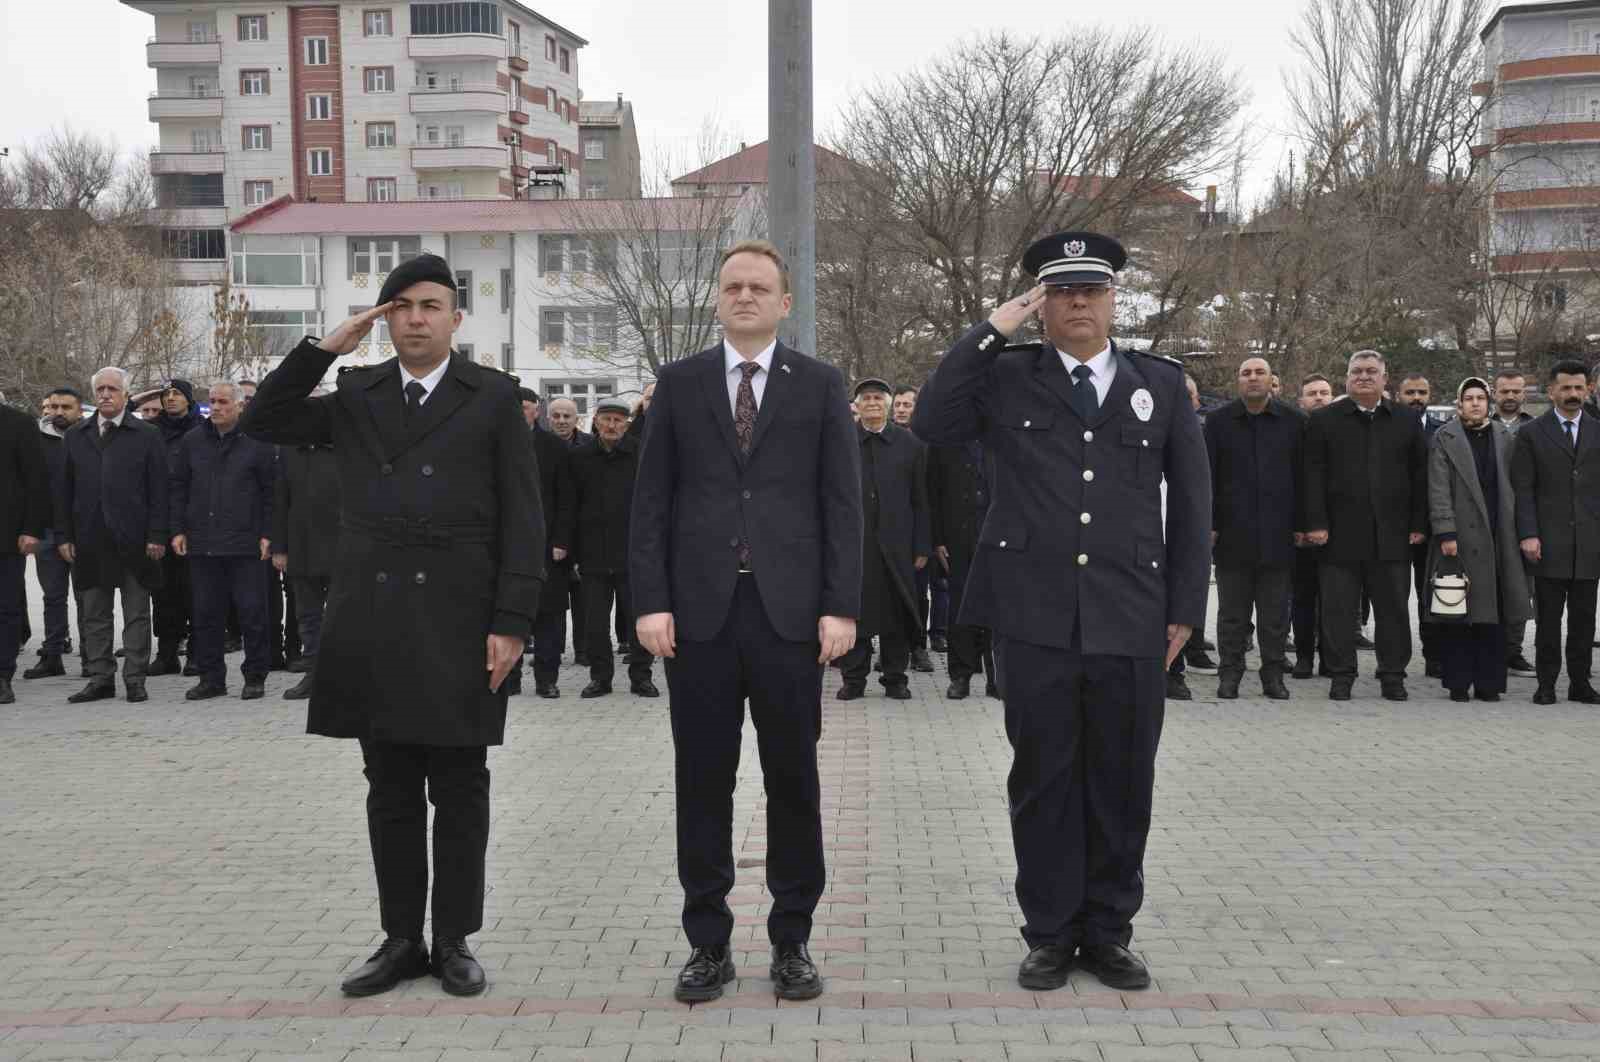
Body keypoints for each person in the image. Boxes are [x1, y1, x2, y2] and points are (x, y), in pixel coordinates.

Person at [240, 253, 545, 999]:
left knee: (462, 783)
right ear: (384, 319)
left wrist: (512, 620)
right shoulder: (356, 390)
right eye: (400, 306)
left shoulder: (494, 396)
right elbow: (264, 420)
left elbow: (524, 515)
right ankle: (401, 938)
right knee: (390, 787)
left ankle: (455, 940)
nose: (416, 317)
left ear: (454, 318)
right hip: (374, 615)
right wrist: (325, 348)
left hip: (462, 613)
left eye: (430, 305)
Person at [912, 231, 1209, 993]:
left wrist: (1184, 608)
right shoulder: (1006, 377)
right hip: (1035, 614)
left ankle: (1108, 932)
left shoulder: (1162, 384)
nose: (1079, 302)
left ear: (1114, 299)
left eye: (1092, 290)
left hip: (1133, 614)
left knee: (1122, 781)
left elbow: (1195, 506)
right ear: (1041, 303)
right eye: (1062, 291)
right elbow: (934, 420)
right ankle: (1048, 932)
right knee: (1043, 780)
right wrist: (994, 326)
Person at [630, 238, 861, 1004]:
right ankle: (708, 943)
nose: (745, 296)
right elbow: (652, 503)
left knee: (792, 779)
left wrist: (840, 606)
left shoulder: (821, 386)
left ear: (785, 301)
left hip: (789, 618)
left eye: (760, 286)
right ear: (718, 298)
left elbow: (841, 505)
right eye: (733, 285)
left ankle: (791, 939)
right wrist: (650, 601)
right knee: (703, 782)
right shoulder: (681, 382)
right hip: (696, 618)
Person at [1302, 351, 1427, 702]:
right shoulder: (1324, 420)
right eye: (1357, 371)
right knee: (1339, 612)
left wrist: (1419, 523)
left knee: (1393, 612)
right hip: (1339, 535)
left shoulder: (1405, 420)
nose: (1364, 377)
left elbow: (1421, 475)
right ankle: (1341, 675)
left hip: (1393, 534)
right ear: (1346, 379)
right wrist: (1315, 523)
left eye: (1372, 371)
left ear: (1385, 379)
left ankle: (1393, 676)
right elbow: (1312, 475)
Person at [56, 367, 170, 704]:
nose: (106, 394)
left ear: (124, 394)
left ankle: (135, 679)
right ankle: (100, 678)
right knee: (94, 614)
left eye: (112, 389)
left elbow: (159, 490)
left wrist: (157, 535)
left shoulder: (147, 434)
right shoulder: (76, 435)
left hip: (135, 539)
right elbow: (63, 491)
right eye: (101, 389)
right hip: (89, 540)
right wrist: (64, 536)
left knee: (136, 613)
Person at [1425, 378, 1530, 703]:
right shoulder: (1446, 436)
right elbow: (1438, 486)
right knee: (1457, 612)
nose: (1474, 403)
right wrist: (1446, 531)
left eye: (1480, 398)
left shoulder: (1505, 436)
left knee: (1493, 615)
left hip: (1500, 536)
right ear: (1459, 404)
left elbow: (1517, 484)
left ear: (1489, 403)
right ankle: (1458, 683)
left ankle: (1489, 683)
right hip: (1460, 537)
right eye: (1468, 398)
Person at [169, 382, 276, 700]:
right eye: (212, 402)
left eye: (223, 402)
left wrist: (269, 534)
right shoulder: (192, 441)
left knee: (252, 612)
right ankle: (210, 677)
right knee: (205, 614)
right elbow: (178, 488)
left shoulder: (258, 442)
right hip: (203, 543)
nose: (215, 407)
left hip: (247, 544)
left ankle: (255, 675)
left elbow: (273, 493)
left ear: (239, 406)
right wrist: (177, 529)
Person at [1204, 357, 1302, 700]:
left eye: (1260, 372)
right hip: (1233, 535)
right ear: (1238, 381)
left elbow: (1306, 478)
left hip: (1279, 535)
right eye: (1246, 373)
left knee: (1275, 616)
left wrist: (1305, 524)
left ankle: (1273, 675)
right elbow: (1207, 479)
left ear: (1272, 379)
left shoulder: (1294, 421)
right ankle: (1229, 673)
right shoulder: (1217, 423)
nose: (1253, 378)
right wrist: (1210, 524)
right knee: (1232, 614)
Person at [1510, 359, 1600, 705]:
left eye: (1579, 387)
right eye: (1566, 387)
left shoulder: (1597, 430)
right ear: (1551, 391)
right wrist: (1528, 534)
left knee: (1584, 620)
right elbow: (1524, 488)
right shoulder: (1532, 434)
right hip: (1547, 542)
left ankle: (1580, 683)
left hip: (1589, 542)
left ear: (1588, 389)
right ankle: (1546, 683)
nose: (1573, 394)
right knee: (1548, 621)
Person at [837, 378, 929, 701]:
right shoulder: (842, 442)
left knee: (896, 614)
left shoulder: (911, 445)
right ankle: (854, 679)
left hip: (898, 544)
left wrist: (922, 545)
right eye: (866, 398)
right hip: (855, 545)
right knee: (856, 611)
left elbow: (921, 500)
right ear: (856, 406)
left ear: (889, 404)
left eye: (878, 397)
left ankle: (895, 678)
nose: (872, 402)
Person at [569, 396, 656, 698]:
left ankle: (641, 676)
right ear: (595, 421)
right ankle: (600, 678)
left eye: (618, 420)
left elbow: (651, 504)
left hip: (633, 553)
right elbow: (570, 505)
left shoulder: (640, 454)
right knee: (595, 623)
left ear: (626, 424)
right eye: (606, 419)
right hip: (592, 553)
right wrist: (569, 548)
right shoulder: (580, 457)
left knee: (638, 619)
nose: (611, 425)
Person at [271, 429, 341, 700]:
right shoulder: (289, 450)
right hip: (302, 547)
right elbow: (280, 500)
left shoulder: (346, 447)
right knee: (308, 617)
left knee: (342, 617)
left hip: (341, 547)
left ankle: (343, 676)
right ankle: (314, 674)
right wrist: (280, 547)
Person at [25, 389, 86, 680]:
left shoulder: (91, 437)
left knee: (88, 595)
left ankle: (92, 655)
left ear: (79, 410)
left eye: (66, 407)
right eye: (54, 407)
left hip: (84, 531)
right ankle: (52, 653)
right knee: (53, 596)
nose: (59, 412)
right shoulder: (35, 440)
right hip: (47, 530)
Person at [519, 387, 576, 698]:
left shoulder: (554, 447)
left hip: (547, 542)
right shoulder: (495, 443)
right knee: (511, 611)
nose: (521, 412)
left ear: (536, 411)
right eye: (516, 407)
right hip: (509, 544)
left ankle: (546, 679)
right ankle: (509, 679)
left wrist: (562, 540)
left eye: (526, 407)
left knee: (549, 615)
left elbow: (567, 499)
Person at [927, 439, 994, 699]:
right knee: (960, 608)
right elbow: (934, 492)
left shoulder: (1000, 432)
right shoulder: (946, 439)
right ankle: (960, 676)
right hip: (957, 538)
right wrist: (938, 539)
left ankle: (996, 677)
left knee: (996, 609)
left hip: (995, 537)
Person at [149, 379, 201, 677]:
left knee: (194, 592)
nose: (170, 399)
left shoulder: (202, 429)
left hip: (194, 522)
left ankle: (197, 652)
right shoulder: (152, 430)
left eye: (177, 394)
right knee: (163, 593)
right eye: (165, 394)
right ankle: (167, 653)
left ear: (189, 399)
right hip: (160, 521)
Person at [0, 399, 49, 704]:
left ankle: (3, 676)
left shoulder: (19, 424)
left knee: (5, 609)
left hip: (6, 537)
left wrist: (32, 529)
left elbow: (36, 482)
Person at [1491, 370, 1538, 677]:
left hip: (1524, 517)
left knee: (1520, 587)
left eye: (1516, 391)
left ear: (1525, 394)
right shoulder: (1482, 424)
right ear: (1495, 392)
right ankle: (1489, 650)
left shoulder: (1535, 428)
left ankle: (1513, 651)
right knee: (1488, 587)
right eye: (1505, 391)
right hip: (1489, 518)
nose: (1510, 396)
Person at [1398, 372, 1443, 678]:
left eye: (1422, 392)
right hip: (1397, 527)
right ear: (1398, 394)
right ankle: (1395, 659)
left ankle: (1434, 656)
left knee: (1431, 595)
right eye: (1410, 392)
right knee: (1395, 597)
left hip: (1432, 528)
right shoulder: (1390, 427)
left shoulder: (1443, 432)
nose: (1416, 398)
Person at [1290, 374, 1334, 679]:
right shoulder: (1292, 430)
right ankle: (1304, 656)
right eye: (1312, 393)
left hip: (1337, 530)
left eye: (1324, 393)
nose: (1318, 398)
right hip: (1300, 532)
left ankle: (1331, 657)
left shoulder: (1342, 429)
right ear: (1301, 401)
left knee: (1334, 599)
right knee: (1303, 599)